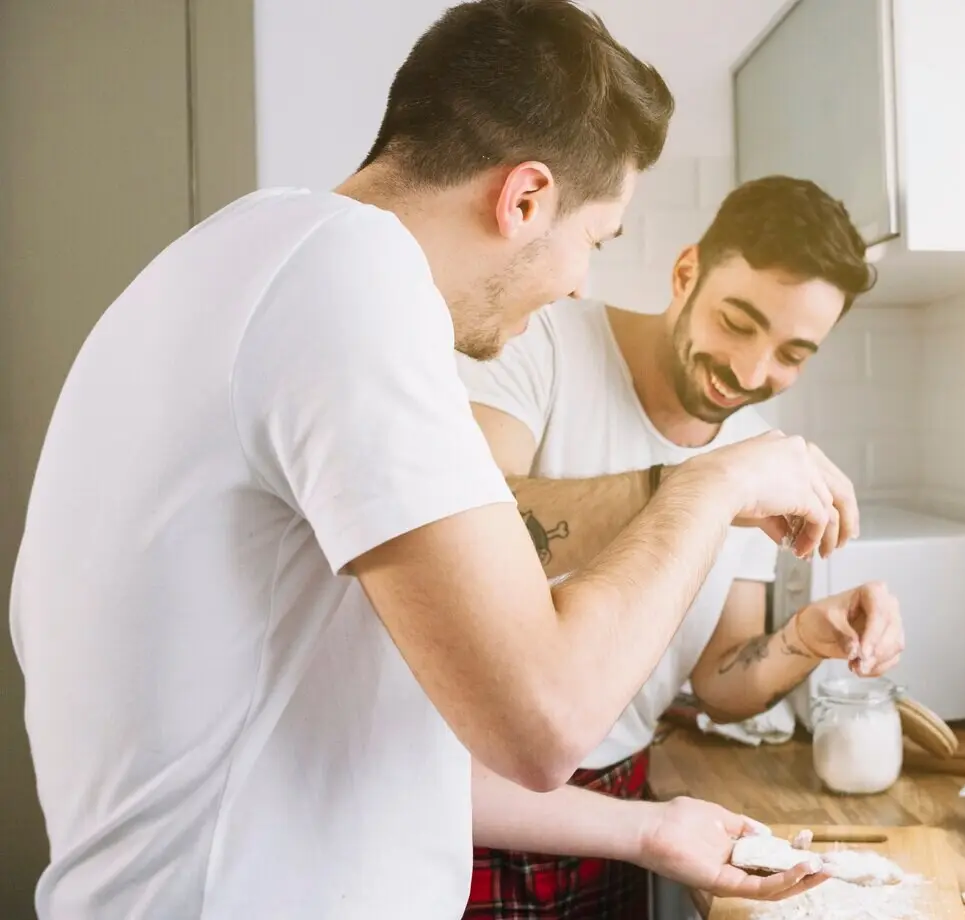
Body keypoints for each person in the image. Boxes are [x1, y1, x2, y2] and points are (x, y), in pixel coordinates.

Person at [7, 4, 848, 918]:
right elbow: (545, 719)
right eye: (595, 240)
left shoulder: (241, 262)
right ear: (524, 199)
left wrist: (646, 832)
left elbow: (385, 741)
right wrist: (714, 480)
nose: (579, 281)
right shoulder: (352, 276)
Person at [457, 175, 906, 918]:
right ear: (686, 272)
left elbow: (722, 683)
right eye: (737, 321)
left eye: (793, 352)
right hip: (471, 806)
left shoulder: (757, 454)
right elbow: (473, 540)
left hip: (619, 810)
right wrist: (700, 485)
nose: (751, 372)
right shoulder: (540, 343)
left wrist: (803, 638)